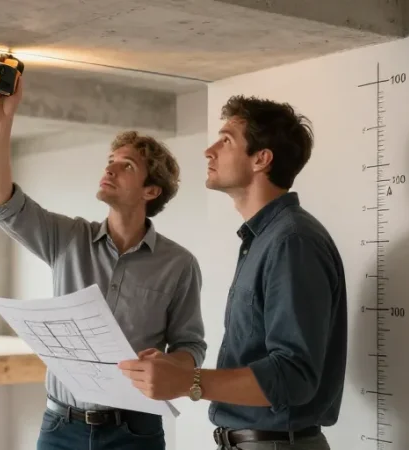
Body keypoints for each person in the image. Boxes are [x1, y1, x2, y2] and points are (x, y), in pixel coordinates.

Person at [0, 56, 207, 450]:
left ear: (151, 191)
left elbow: (191, 345)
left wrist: (172, 365)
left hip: (135, 432)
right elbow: (1, 204)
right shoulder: (68, 238)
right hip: (59, 428)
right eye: (110, 162)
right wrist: (1, 121)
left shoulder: (179, 264)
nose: (111, 170)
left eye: (127, 166)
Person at [119, 95, 347, 450]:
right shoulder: (266, 239)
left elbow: (295, 376)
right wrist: (179, 374)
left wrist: (188, 381)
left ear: (261, 158)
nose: (209, 151)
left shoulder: (292, 241)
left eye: (225, 140)